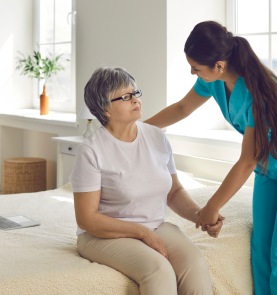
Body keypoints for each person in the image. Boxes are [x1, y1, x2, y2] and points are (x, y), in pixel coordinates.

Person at [145, 21, 277, 295]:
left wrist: (212, 205)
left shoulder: (263, 93)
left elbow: (246, 161)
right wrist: (138, 131)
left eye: (196, 68)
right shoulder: (214, 81)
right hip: (269, 169)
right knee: (261, 250)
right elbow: (183, 107)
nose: (192, 72)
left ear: (219, 65)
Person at [70, 66, 223, 295]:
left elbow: (173, 192)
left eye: (135, 93)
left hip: (155, 226)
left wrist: (200, 215)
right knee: (158, 270)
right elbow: (87, 219)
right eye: (125, 96)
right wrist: (142, 233)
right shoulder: (91, 151)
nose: (135, 100)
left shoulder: (157, 137)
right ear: (105, 109)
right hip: (102, 236)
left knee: (195, 263)